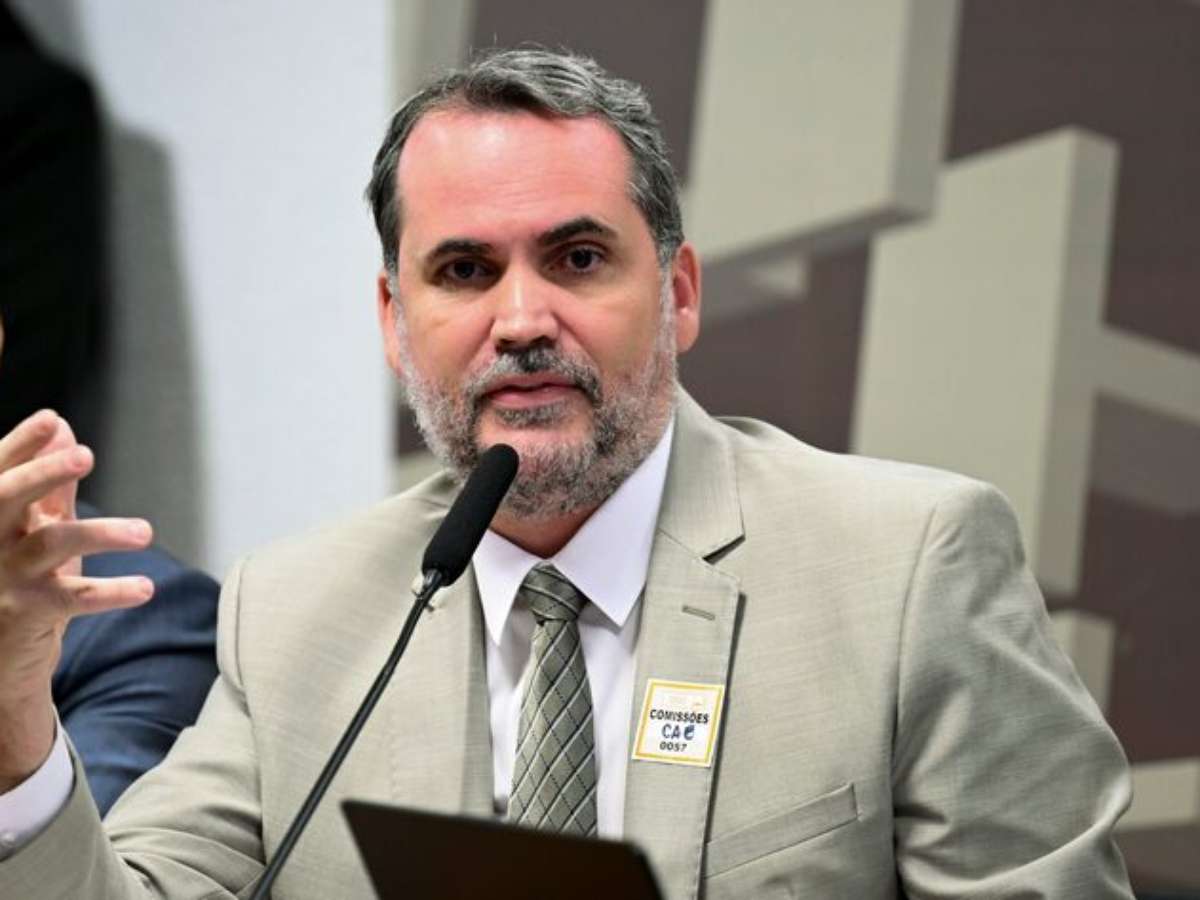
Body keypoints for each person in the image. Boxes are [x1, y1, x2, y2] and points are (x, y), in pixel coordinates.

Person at [0, 48, 1134, 899]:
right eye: (463, 271)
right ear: (394, 320)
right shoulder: (294, 613)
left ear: (678, 293)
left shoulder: (908, 570)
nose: (521, 320)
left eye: (578, 258)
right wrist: (11, 703)